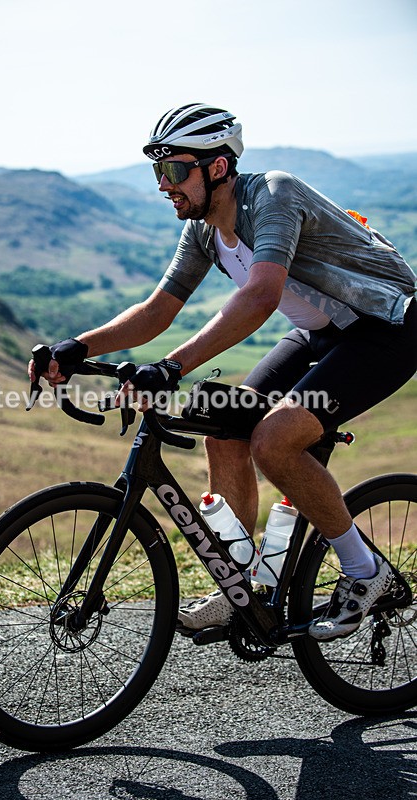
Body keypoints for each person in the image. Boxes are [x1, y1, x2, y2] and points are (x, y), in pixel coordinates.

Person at [29, 103, 417, 641]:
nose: (164, 184)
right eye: (157, 171)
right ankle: (243, 588)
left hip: (387, 326)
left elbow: (260, 296)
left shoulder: (273, 195)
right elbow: (157, 310)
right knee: (218, 423)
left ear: (217, 167)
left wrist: (171, 366)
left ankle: (365, 572)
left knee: (275, 440)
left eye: (174, 169)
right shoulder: (204, 230)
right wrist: (77, 347)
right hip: (319, 332)